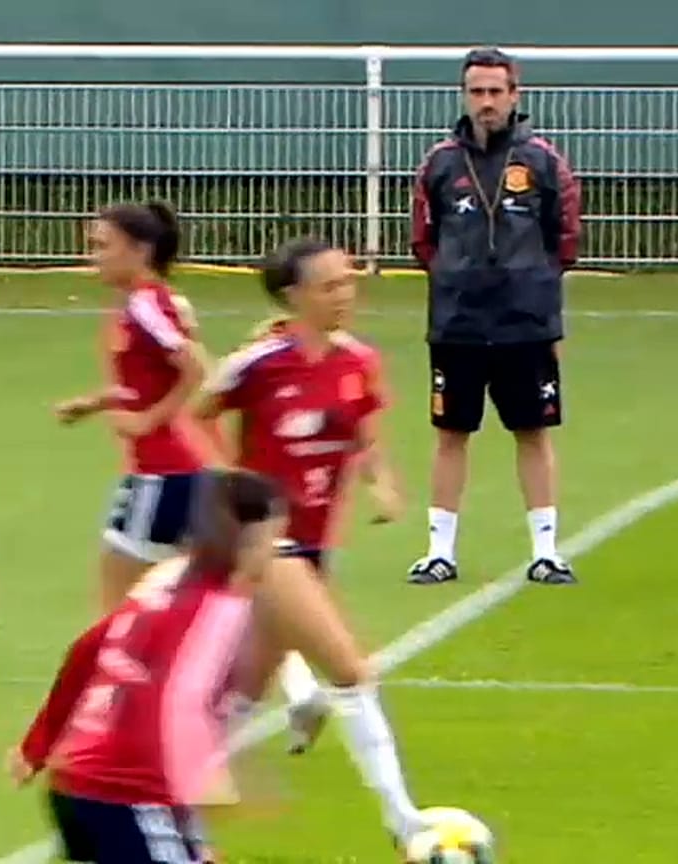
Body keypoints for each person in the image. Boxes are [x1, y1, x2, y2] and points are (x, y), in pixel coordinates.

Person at [193, 240, 423, 853]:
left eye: (348, 283)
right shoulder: (260, 364)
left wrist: (383, 484)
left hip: (315, 546)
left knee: (244, 688)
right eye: (330, 286)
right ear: (294, 296)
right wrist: (232, 485)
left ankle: (169, 793)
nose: (345, 295)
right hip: (269, 543)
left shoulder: (358, 361)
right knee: (350, 671)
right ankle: (405, 822)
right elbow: (199, 413)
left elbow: (364, 434)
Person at [7, 470, 287, 864]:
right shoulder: (220, 610)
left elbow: (87, 649)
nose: (272, 553)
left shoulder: (166, 576)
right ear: (246, 539)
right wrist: (221, 778)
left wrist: (38, 744)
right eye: (270, 540)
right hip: (126, 794)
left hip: (75, 785)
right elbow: (182, 701)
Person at [407, 46, 582, 586]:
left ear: (515, 96)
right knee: (451, 432)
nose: (486, 103)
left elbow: (566, 240)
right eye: (476, 92)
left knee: (532, 431)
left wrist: (529, 285)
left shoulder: (544, 163)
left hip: (524, 323)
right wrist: (458, 279)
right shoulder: (439, 163)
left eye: (495, 92)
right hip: (457, 322)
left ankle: (546, 551)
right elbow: (423, 241)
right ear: (465, 95)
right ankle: (439, 552)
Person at [53, 202, 211, 612]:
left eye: (104, 246)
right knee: (185, 603)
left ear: (140, 251)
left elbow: (195, 367)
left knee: (117, 611)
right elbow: (144, 383)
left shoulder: (145, 304)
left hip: (160, 476)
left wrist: (148, 420)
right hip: (176, 473)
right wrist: (93, 403)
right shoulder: (142, 303)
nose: (95, 257)